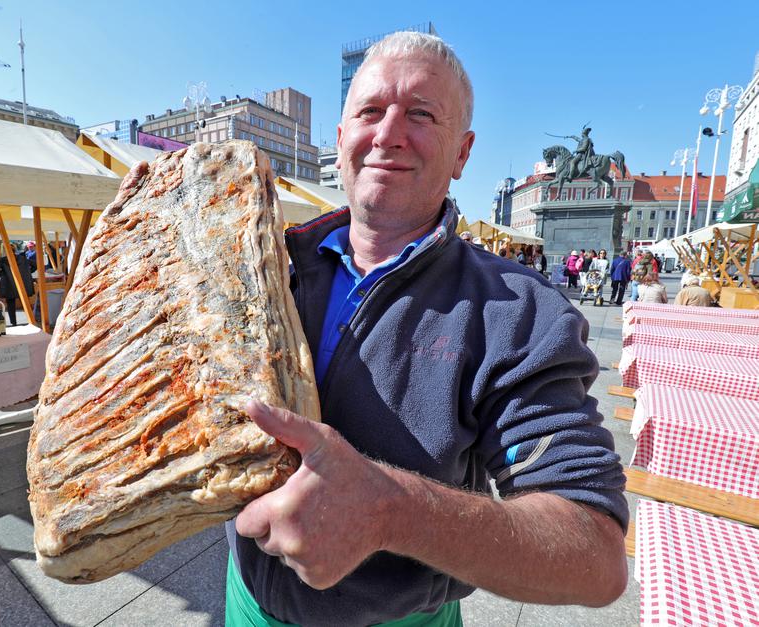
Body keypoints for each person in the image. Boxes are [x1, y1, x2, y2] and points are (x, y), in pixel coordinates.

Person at [208, 31, 626, 626]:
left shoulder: (515, 312)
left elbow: (595, 554)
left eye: (422, 114)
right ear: (340, 138)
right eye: (371, 111)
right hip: (246, 603)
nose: (388, 134)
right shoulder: (262, 263)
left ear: (462, 153)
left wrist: (388, 511)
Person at [0, 246, 35, 325]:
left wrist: (3, 274)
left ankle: (13, 323)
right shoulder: (23, 258)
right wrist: (27, 272)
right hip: (22, 283)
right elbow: (35, 265)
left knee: (11, 304)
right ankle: (31, 320)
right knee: (25, 302)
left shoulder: (3, 260)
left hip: (9, 284)